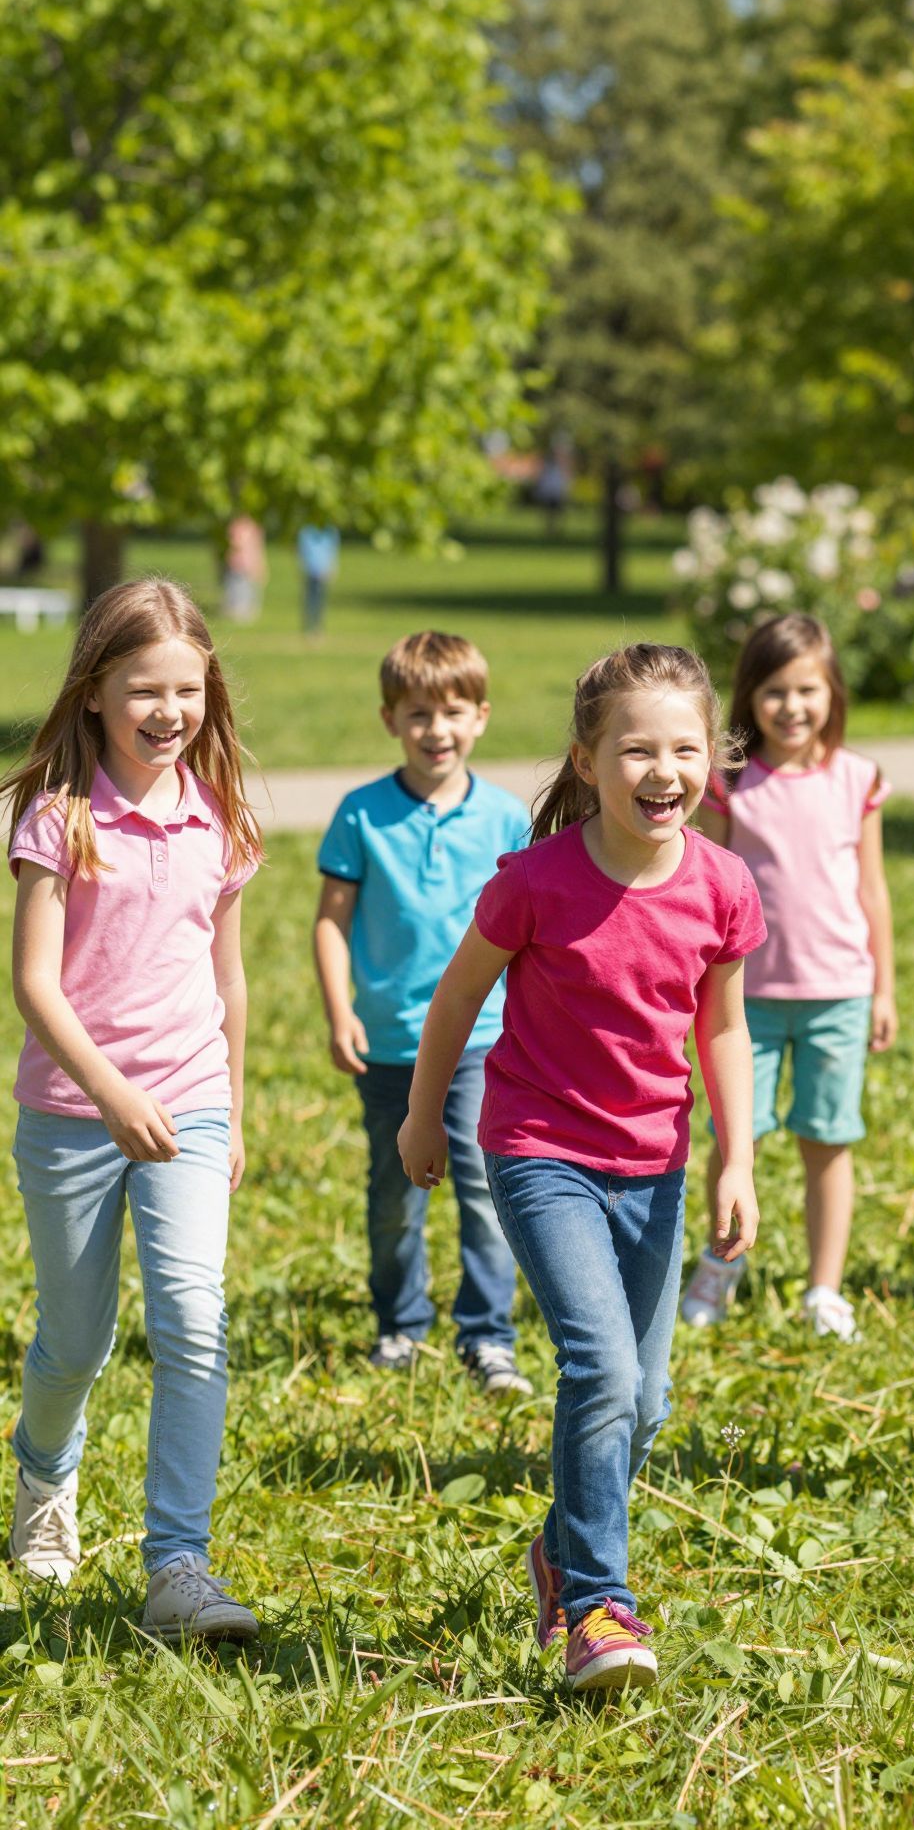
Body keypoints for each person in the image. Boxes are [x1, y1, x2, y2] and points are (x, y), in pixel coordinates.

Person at [397, 644, 765, 1691]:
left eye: (686, 748)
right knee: (600, 1368)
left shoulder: (722, 883)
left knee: (643, 1401)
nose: (664, 770)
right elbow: (459, 998)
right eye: (637, 748)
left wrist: (737, 1160)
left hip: (656, 1162)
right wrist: (426, 1114)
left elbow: (723, 1027)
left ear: (712, 759)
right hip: (538, 1147)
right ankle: (598, 1602)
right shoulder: (536, 881)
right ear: (588, 760)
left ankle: (561, 1544)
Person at [2, 578, 264, 1637]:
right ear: (97, 692)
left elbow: (229, 976)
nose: (168, 711)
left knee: (195, 1320)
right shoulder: (59, 816)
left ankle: (177, 1563)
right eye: (143, 688)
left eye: (186, 689)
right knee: (75, 1340)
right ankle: (43, 1481)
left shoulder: (221, 817)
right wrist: (110, 1093)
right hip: (75, 1108)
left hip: (191, 1103)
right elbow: (35, 982)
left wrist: (233, 1109)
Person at [314, 632, 532, 1395]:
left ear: (481, 716)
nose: (436, 729)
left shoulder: (508, 820)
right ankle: (400, 1326)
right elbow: (330, 920)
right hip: (389, 1044)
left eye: (452, 711)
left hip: (482, 1043)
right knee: (395, 1194)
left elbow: (530, 939)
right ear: (389, 719)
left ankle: (488, 1335)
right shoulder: (360, 814)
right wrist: (340, 1009)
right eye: (417, 714)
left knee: (483, 1188)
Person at [681, 613, 896, 1342]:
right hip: (747, 1004)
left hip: (840, 992)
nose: (792, 707)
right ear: (749, 696)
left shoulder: (858, 778)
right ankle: (718, 1267)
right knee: (734, 1138)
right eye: (774, 691)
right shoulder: (728, 782)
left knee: (828, 1140)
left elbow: (872, 891)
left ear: (832, 692)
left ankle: (824, 1287)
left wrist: (886, 988)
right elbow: (703, 890)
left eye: (808, 689)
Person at [296, 524, 340, 634]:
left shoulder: (329, 529)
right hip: (310, 569)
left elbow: (333, 550)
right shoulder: (306, 529)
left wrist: (332, 568)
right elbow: (301, 550)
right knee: (310, 601)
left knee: (320, 602)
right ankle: (309, 626)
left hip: (323, 570)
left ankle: (317, 627)